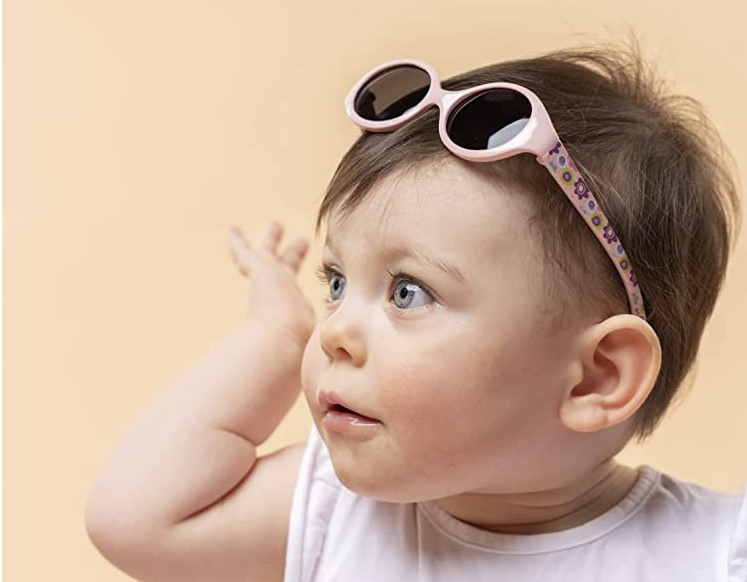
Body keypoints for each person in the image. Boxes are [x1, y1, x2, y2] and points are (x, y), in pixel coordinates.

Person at [85, 34, 746, 582]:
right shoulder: (332, 513)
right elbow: (135, 521)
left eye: (408, 292)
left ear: (596, 375)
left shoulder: (714, 553)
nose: (336, 330)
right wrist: (272, 337)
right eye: (337, 282)